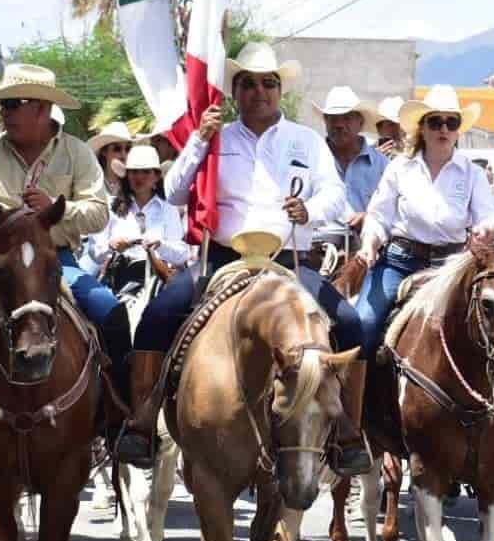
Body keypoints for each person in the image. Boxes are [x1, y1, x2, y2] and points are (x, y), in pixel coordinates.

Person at [114, 41, 368, 474]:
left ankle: (348, 431)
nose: (259, 91)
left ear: (278, 89)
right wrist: (199, 141)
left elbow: (336, 196)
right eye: (248, 83)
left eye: (268, 83)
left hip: (287, 263)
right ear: (234, 91)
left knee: (350, 323)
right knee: (158, 314)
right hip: (222, 260)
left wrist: (309, 211)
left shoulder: (305, 141)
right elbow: (174, 190)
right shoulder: (217, 137)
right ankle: (141, 423)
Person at [0, 64, 132, 466]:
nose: (6, 112)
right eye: (4, 104)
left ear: (42, 108)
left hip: (57, 262)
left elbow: (99, 214)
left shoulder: (77, 153)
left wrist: (61, 210)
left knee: (111, 314)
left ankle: (117, 423)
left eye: (15, 103)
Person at [354, 85, 494, 357]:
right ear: (422, 128)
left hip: (452, 266)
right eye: (435, 122)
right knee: (364, 324)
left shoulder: (473, 174)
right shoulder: (399, 167)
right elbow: (378, 215)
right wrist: (370, 242)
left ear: (458, 130)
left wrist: (487, 227)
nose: (443, 129)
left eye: (451, 122)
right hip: (399, 261)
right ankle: (355, 399)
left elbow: (489, 215)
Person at [86, 143, 188, 292]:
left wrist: (161, 245)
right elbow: (95, 253)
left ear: (156, 176)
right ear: (127, 175)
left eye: (145, 172)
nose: (139, 177)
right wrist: (111, 246)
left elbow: (181, 254)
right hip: (118, 278)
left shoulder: (168, 208)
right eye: (134, 172)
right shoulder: (110, 206)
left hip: (158, 280)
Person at [308, 85, 386, 263]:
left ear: (360, 122)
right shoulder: (310, 159)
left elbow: (393, 212)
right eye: (333, 119)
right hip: (315, 250)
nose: (339, 124)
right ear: (325, 122)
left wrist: (370, 219)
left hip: (365, 251)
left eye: (347, 118)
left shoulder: (383, 165)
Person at [88, 122, 137, 198]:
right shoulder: (92, 181)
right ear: (104, 152)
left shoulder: (135, 183)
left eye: (128, 149)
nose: (123, 155)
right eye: (117, 149)